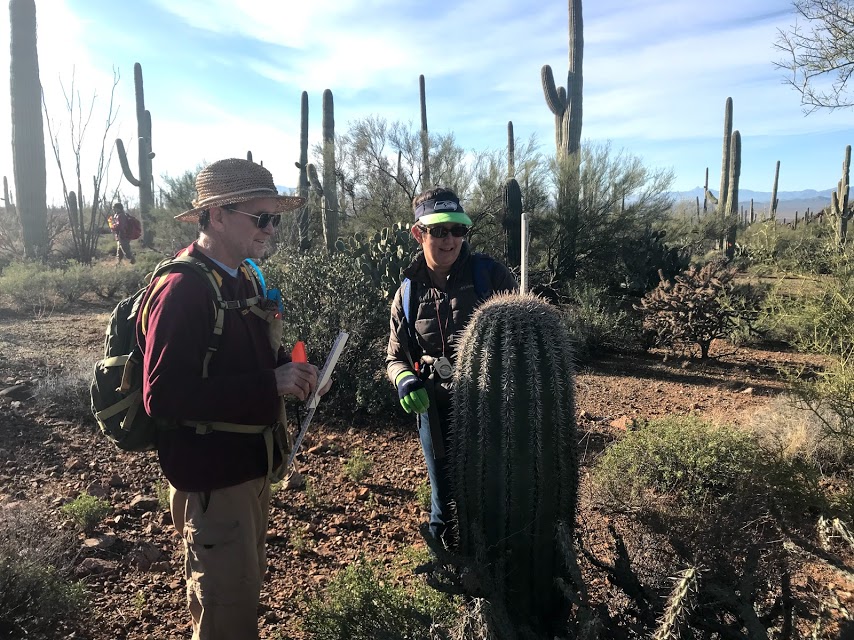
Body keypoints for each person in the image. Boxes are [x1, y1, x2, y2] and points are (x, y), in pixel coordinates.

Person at [136, 158, 330, 640]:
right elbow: (161, 396)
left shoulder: (242, 278)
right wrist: (271, 384)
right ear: (217, 215)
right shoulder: (183, 290)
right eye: (260, 218)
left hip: (247, 474)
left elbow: (247, 359)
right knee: (227, 615)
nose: (270, 230)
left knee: (238, 598)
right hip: (214, 483)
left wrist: (296, 372)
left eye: (275, 219)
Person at [386, 186, 517, 548]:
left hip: (492, 406)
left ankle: (496, 566)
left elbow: (524, 339)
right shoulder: (408, 292)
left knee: (497, 488)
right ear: (418, 233)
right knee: (444, 493)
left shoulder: (490, 275)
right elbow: (394, 356)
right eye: (439, 230)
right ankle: (449, 561)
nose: (450, 240)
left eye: (458, 230)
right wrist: (404, 381)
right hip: (435, 407)